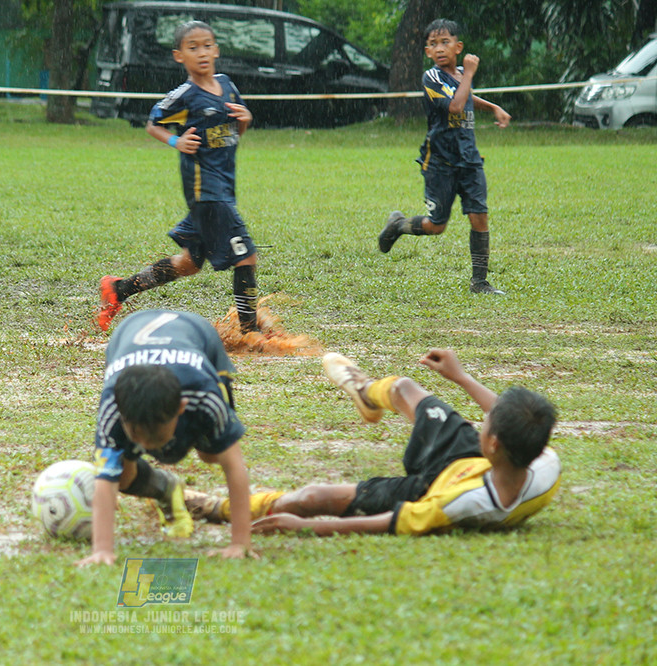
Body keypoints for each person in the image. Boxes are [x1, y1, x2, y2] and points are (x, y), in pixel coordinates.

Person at [185, 348, 560, 537]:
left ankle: (214, 507)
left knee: (312, 499)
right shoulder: (542, 462)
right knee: (404, 388)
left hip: (429, 486)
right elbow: (507, 416)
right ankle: (365, 393)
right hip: (469, 459)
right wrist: (459, 377)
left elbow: (389, 523)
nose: (485, 413)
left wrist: (309, 528)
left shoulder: (463, 503)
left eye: (487, 421)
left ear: (493, 442)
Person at [97, 20, 261, 335]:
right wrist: (177, 141)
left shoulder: (227, 85)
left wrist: (245, 120)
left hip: (224, 187)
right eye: (192, 47)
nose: (202, 53)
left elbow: (233, 133)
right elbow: (152, 123)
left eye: (207, 45)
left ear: (216, 50)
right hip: (206, 192)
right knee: (247, 256)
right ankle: (251, 332)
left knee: (189, 264)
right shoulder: (185, 95)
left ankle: (118, 289)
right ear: (178, 56)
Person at [76, 309, 257, 566]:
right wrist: (102, 550)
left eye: (157, 435)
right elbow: (106, 479)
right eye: (136, 436)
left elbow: (234, 464)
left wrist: (240, 543)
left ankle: (189, 440)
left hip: (198, 334)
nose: (148, 447)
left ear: (181, 408)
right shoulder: (112, 406)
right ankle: (166, 487)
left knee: (212, 453)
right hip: (127, 332)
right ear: (122, 412)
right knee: (123, 476)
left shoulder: (205, 397)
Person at [378, 19, 511, 295]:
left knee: (479, 216)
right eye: (433, 44)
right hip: (440, 162)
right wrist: (471, 74)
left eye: (445, 42)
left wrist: (494, 107)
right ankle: (399, 225)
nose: (439, 49)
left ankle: (479, 283)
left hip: (470, 160)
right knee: (436, 225)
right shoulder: (432, 78)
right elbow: (455, 105)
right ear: (427, 52)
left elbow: (468, 97)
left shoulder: (462, 75)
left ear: (458, 47)